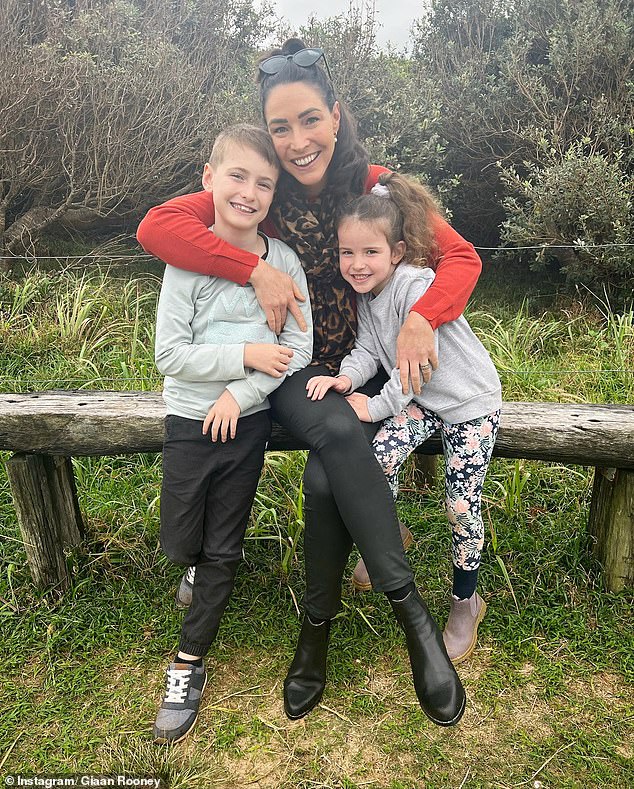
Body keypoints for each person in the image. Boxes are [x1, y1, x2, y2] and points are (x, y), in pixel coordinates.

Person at [138, 38, 483, 727]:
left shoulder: (376, 187)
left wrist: (422, 318)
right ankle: (409, 613)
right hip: (293, 366)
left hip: (366, 367)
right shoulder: (260, 188)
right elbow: (157, 226)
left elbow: (463, 257)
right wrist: (254, 269)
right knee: (330, 432)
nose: (296, 141)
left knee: (327, 476)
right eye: (279, 126)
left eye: (309, 120)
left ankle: (318, 629)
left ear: (336, 113)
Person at [152, 123, 313, 744]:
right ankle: (191, 571)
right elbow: (171, 354)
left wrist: (241, 393)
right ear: (208, 180)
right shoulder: (186, 259)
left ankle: (189, 662)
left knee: (224, 546)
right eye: (238, 177)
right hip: (188, 421)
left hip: (246, 424)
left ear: (274, 196)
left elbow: (294, 347)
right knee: (179, 539)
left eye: (264, 184)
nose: (248, 193)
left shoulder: (286, 261)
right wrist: (244, 351)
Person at [306, 172, 502, 665]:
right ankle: (390, 536)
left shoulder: (413, 285)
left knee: (460, 506)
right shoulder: (367, 294)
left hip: (467, 405)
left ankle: (465, 599)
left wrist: (373, 406)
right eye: (347, 253)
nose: (356, 264)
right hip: (425, 403)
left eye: (370, 253)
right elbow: (371, 349)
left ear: (396, 252)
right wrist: (346, 381)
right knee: (376, 460)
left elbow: (416, 369)